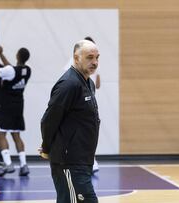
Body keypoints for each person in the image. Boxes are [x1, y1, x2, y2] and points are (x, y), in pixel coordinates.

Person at [40, 39, 100, 203]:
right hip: (69, 162)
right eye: (89, 57)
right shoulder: (69, 84)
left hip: (82, 160)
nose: (94, 62)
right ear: (76, 58)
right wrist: (46, 147)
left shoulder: (88, 83)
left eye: (97, 57)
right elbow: (48, 120)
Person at [0, 45, 31, 176]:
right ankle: (24, 165)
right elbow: (11, 69)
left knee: (1, 134)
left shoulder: (10, 71)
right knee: (16, 136)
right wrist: (2, 54)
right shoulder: (27, 70)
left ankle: (8, 164)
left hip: (5, 106)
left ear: (17, 56)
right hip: (18, 106)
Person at [63, 36, 100, 173]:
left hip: (89, 100)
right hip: (77, 103)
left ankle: (92, 160)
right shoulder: (73, 67)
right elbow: (67, 81)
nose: (94, 60)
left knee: (90, 131)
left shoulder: (94, 65)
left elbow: (98, 84)